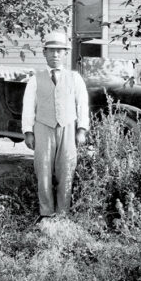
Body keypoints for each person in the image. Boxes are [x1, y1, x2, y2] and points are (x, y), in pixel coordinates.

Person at [21, 31, 89, 221]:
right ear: (45, 53)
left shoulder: (74, 78)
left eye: (59, 51)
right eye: (51, 51)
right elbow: (28, 107)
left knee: (67, 168)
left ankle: (63, 213)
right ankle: (46, 213)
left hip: (68, 126)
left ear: (65, 54)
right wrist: (28, 131)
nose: (55, 55)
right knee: (42, 169)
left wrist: (81, 129)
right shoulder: (35, 78)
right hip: (43, 126)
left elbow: (82, 104)